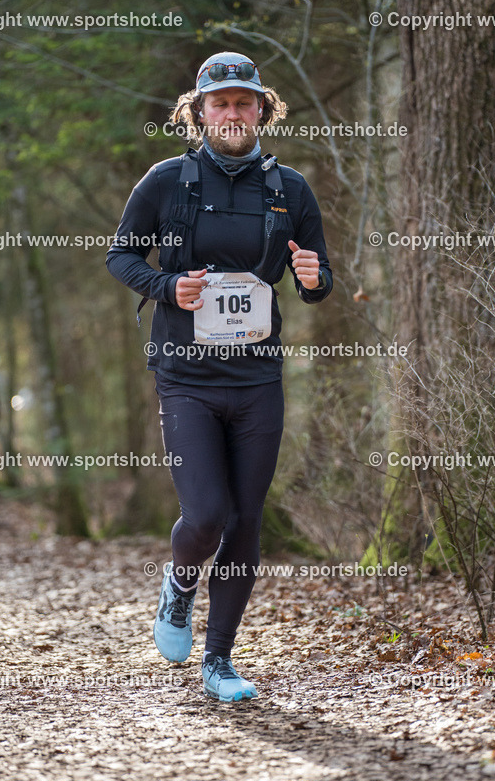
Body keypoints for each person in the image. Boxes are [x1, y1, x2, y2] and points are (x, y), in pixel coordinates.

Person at [106, 50, 332, 702]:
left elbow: (315, 278)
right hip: (184, 377)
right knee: (206, 515)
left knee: (246, 522)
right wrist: (169, 285)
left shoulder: (290, 189)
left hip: (258, 378)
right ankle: (179, 585)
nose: (232, 112)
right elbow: (120, 256)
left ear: (261, 108)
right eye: (220, 102)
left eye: (243, 101)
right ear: (198, 111)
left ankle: (219, 662)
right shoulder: (165, 182)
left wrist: (315, 281)